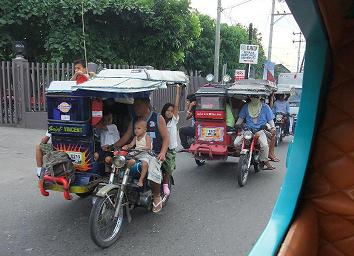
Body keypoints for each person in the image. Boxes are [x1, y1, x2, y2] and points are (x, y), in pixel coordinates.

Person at [115, 98, 169, 213]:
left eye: (138, 105)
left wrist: (163, 153)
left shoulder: (158, 118)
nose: (135, 108)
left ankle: (156, 196)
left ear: (146, 104)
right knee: (121, 161)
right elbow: (126, 137)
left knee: (153, 168)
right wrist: (114, 146)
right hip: (138, 152)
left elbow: (166, 138)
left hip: (154, 153)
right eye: (134, 106)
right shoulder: (134, 120)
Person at [234, 95, 276, 170]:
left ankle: (265, 161)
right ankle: (243, 155)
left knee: (265, 146)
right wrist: (237, 126)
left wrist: (273, 127)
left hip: (260, 130)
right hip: (248, 130)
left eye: (256, 96)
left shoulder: (265, 107)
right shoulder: (246, 106)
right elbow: (240, 119)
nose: (254, 98)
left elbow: (270, 120)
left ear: (260, 97)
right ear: (250, 97)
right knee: (236, 143)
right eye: (253, 96)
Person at [160, 85, 182, 197]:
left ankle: (165, 184)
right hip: (160, 148)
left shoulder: (173, 120)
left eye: (171, 111)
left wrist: (178, 91)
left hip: (171, 148)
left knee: (168, 168)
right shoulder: (160, 120)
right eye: (167, 110)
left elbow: (177, 105)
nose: (169, 112)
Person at [122, 120, 152, 187]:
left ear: (145, 130)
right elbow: (131, 145)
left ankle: (141, 180)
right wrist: (126, 146)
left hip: (145, 154)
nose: (136, 130)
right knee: (124, 159)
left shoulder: (147, 136)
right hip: (136, 153)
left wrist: (142, 148)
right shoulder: (135, 137)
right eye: (135, 128)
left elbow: (149, 147)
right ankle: (124, 175)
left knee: (144, 164)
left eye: (139, 128)